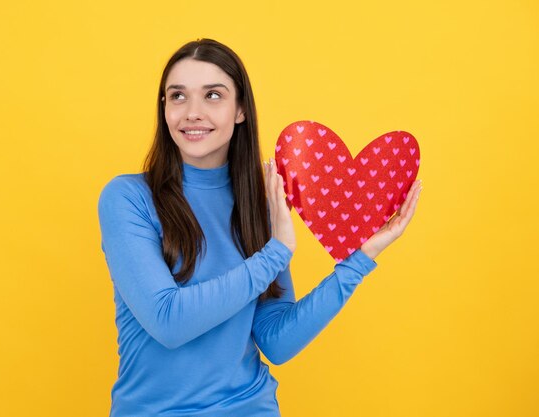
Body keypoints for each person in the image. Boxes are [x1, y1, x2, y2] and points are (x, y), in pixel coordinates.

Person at [97, 38, 422, 417]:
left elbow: (277, 341)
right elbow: (168, 322)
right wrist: (276, 253)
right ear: (164, 107)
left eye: (213, 96)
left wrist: (360, 259)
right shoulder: (127, 198)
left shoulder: (260, 203)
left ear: (240, 111)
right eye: (178, 96)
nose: (192, 112)